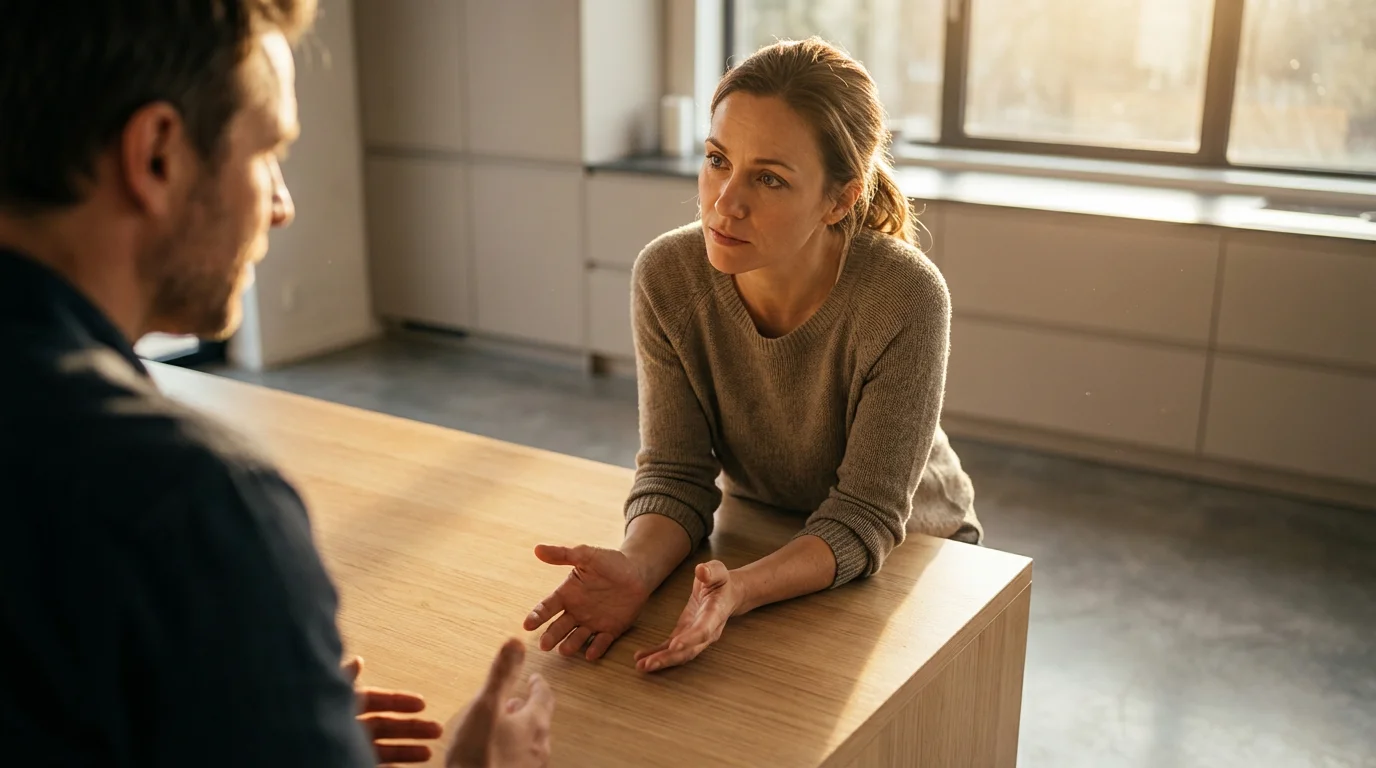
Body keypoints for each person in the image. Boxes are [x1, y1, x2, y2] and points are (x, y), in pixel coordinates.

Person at [0, 1, 552, 765]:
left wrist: (248, 724)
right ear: (157, 155)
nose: (283, 205)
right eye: (268, 153)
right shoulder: (194, 507)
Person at [525, 38, 983, 671]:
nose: (725, 202)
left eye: (769, 178)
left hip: (916, 550)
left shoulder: (905, 295)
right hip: (764, 529)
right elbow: (677, 474)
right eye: (717, 160)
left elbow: (865, 516)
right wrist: (635, 567)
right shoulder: (668, 275)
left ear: (840, 198)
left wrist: (740, 590)